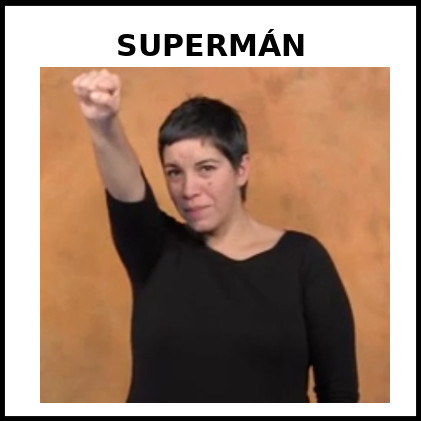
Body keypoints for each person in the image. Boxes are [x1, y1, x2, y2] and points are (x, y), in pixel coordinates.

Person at [72, 69, 359, 403]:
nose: (189, 189)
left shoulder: (303, 261)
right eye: (174, 173)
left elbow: (339, 394)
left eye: (206, 168)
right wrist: (102, 124)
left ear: (241, 169)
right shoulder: (155, 249)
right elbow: (125, 188)